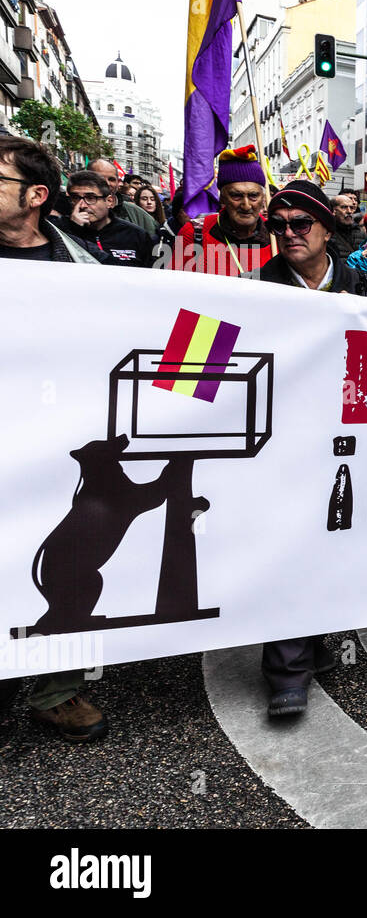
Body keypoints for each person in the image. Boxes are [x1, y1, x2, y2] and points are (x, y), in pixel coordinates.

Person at [241, 181, 367, 714]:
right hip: (285, 448)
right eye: (276, 225)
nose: (287, 234)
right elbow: (200, 364)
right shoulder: (253, 287)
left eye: (300, 224)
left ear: (328, 229)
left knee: (336, 548)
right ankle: (286, 669)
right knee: (289, 549)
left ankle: (316, 639)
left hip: (354, 445)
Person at [0, 136, 110, 742]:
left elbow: (140, 331)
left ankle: (57, 690)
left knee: (61, 563)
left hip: (58, 447)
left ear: (35, 196)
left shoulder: (84, 268)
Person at [167, 145, 274, 276]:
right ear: (222, 199)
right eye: (236, 195)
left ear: (263, 199)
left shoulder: (277, 235)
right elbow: (174, 287)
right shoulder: (193, 233)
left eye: (253, 196)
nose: (246, 205)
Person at [59, 169, 154, 267]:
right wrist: (73, 230)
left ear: (109, 201)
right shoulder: (59, 231)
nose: (82, 205)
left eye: (91, 198)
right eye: (75, 198)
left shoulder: (135, 235)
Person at [88, 158, 155, 236]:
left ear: (118, 183)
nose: (106, 183)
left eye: (111, 179)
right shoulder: (75, 212)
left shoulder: (136, 213)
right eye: (100, 178)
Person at [327, 192, 364, 260]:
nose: (349, 211)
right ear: (333, 210)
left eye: (351, 207)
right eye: (344, 207)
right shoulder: (326, 235)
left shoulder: (361, 234)